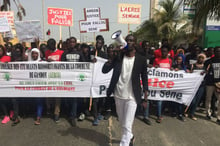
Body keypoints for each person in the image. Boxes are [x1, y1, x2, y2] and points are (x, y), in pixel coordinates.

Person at [102, 34, 148, 146]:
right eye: (127, 40)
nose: (129, 42)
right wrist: (112, 58)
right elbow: (105, 70)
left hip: (132, 96)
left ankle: (124, 143)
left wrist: (145, 98)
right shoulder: (119, 57)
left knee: (127, 124)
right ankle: (130, 136)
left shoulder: (141, 59)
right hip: (118, 94)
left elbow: (145, 78)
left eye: (131, 40)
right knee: (122, 121)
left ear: (135, 43)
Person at [61, 36, 85, 126]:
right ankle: (70, 113)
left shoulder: (79, 54)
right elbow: (61, 67)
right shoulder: (64, 54)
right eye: (70, 42)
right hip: (67, 79)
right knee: (67, 99)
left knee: (74, 99)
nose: (71, 43)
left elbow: (85, 65)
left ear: (75, 43)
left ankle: (73, 117)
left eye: (73, 42)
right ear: (68, 43)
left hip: (76, 80)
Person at [45, 38, 64, 122]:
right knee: (49, 96)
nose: (49, 48)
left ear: (54, 44)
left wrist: (53, 62)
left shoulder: (61, 53)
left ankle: (57, 113)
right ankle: (50, 109)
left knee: (57, 97)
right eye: (48, 46)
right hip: (49, 77)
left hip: (59, 77)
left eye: (50, 46)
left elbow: (64, 65)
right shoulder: (47, 53)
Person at [186, 53, 206, 121]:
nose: (201, 59)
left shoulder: (205, 67)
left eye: (202, 58)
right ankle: (186, 111)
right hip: (193, 86)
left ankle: (192, 114)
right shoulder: (192, 65)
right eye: (199, 57)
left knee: (197, 101)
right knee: (192, 100)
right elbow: (188, 73)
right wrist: (190, 72)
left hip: (201, 86)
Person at [28, 48, 44, 125]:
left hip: (39, 85)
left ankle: (38, 117)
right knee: (34, 101)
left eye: (36, 53)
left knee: (39, 101)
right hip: (30, 85)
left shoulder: (42, 62)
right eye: (33, 53)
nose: (34, 55)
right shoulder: (28, 63)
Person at [205, 46, 220, 125]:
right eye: (217, 51)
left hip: (219, 83)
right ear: (214, 52)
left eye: (219, 51)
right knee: (208, 99)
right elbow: (205, 71)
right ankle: (208, 113)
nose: (218, 53)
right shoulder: (209, 61)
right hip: (210, 83)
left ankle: (219, 117)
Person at [0, 45, 12, 124]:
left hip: (7, 80)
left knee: (9, 98)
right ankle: (6, 115)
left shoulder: (7, 58)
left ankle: (11, 112)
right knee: (2, 99)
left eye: (0, 50)